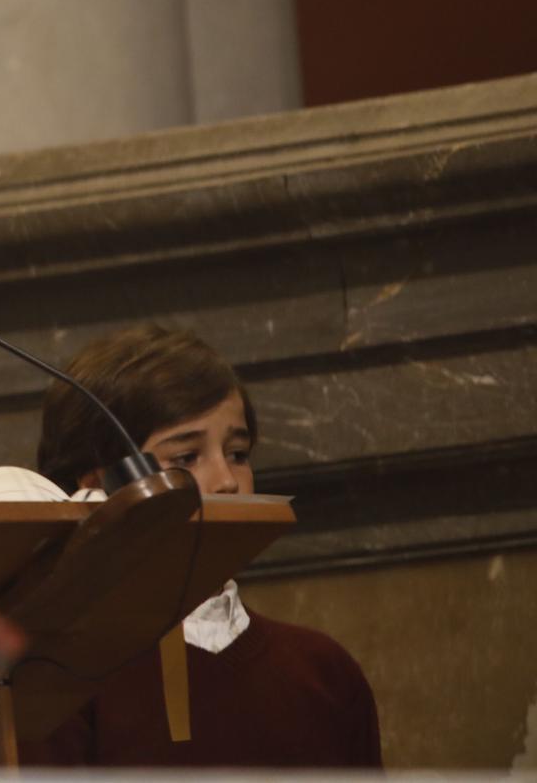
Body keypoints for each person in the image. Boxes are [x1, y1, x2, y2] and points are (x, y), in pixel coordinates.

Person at [21, 323, 382, 768]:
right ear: (101, 488)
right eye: (186, 458)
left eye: (238, 453)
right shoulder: (61, 687)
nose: (228, 481)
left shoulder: (324, 671)